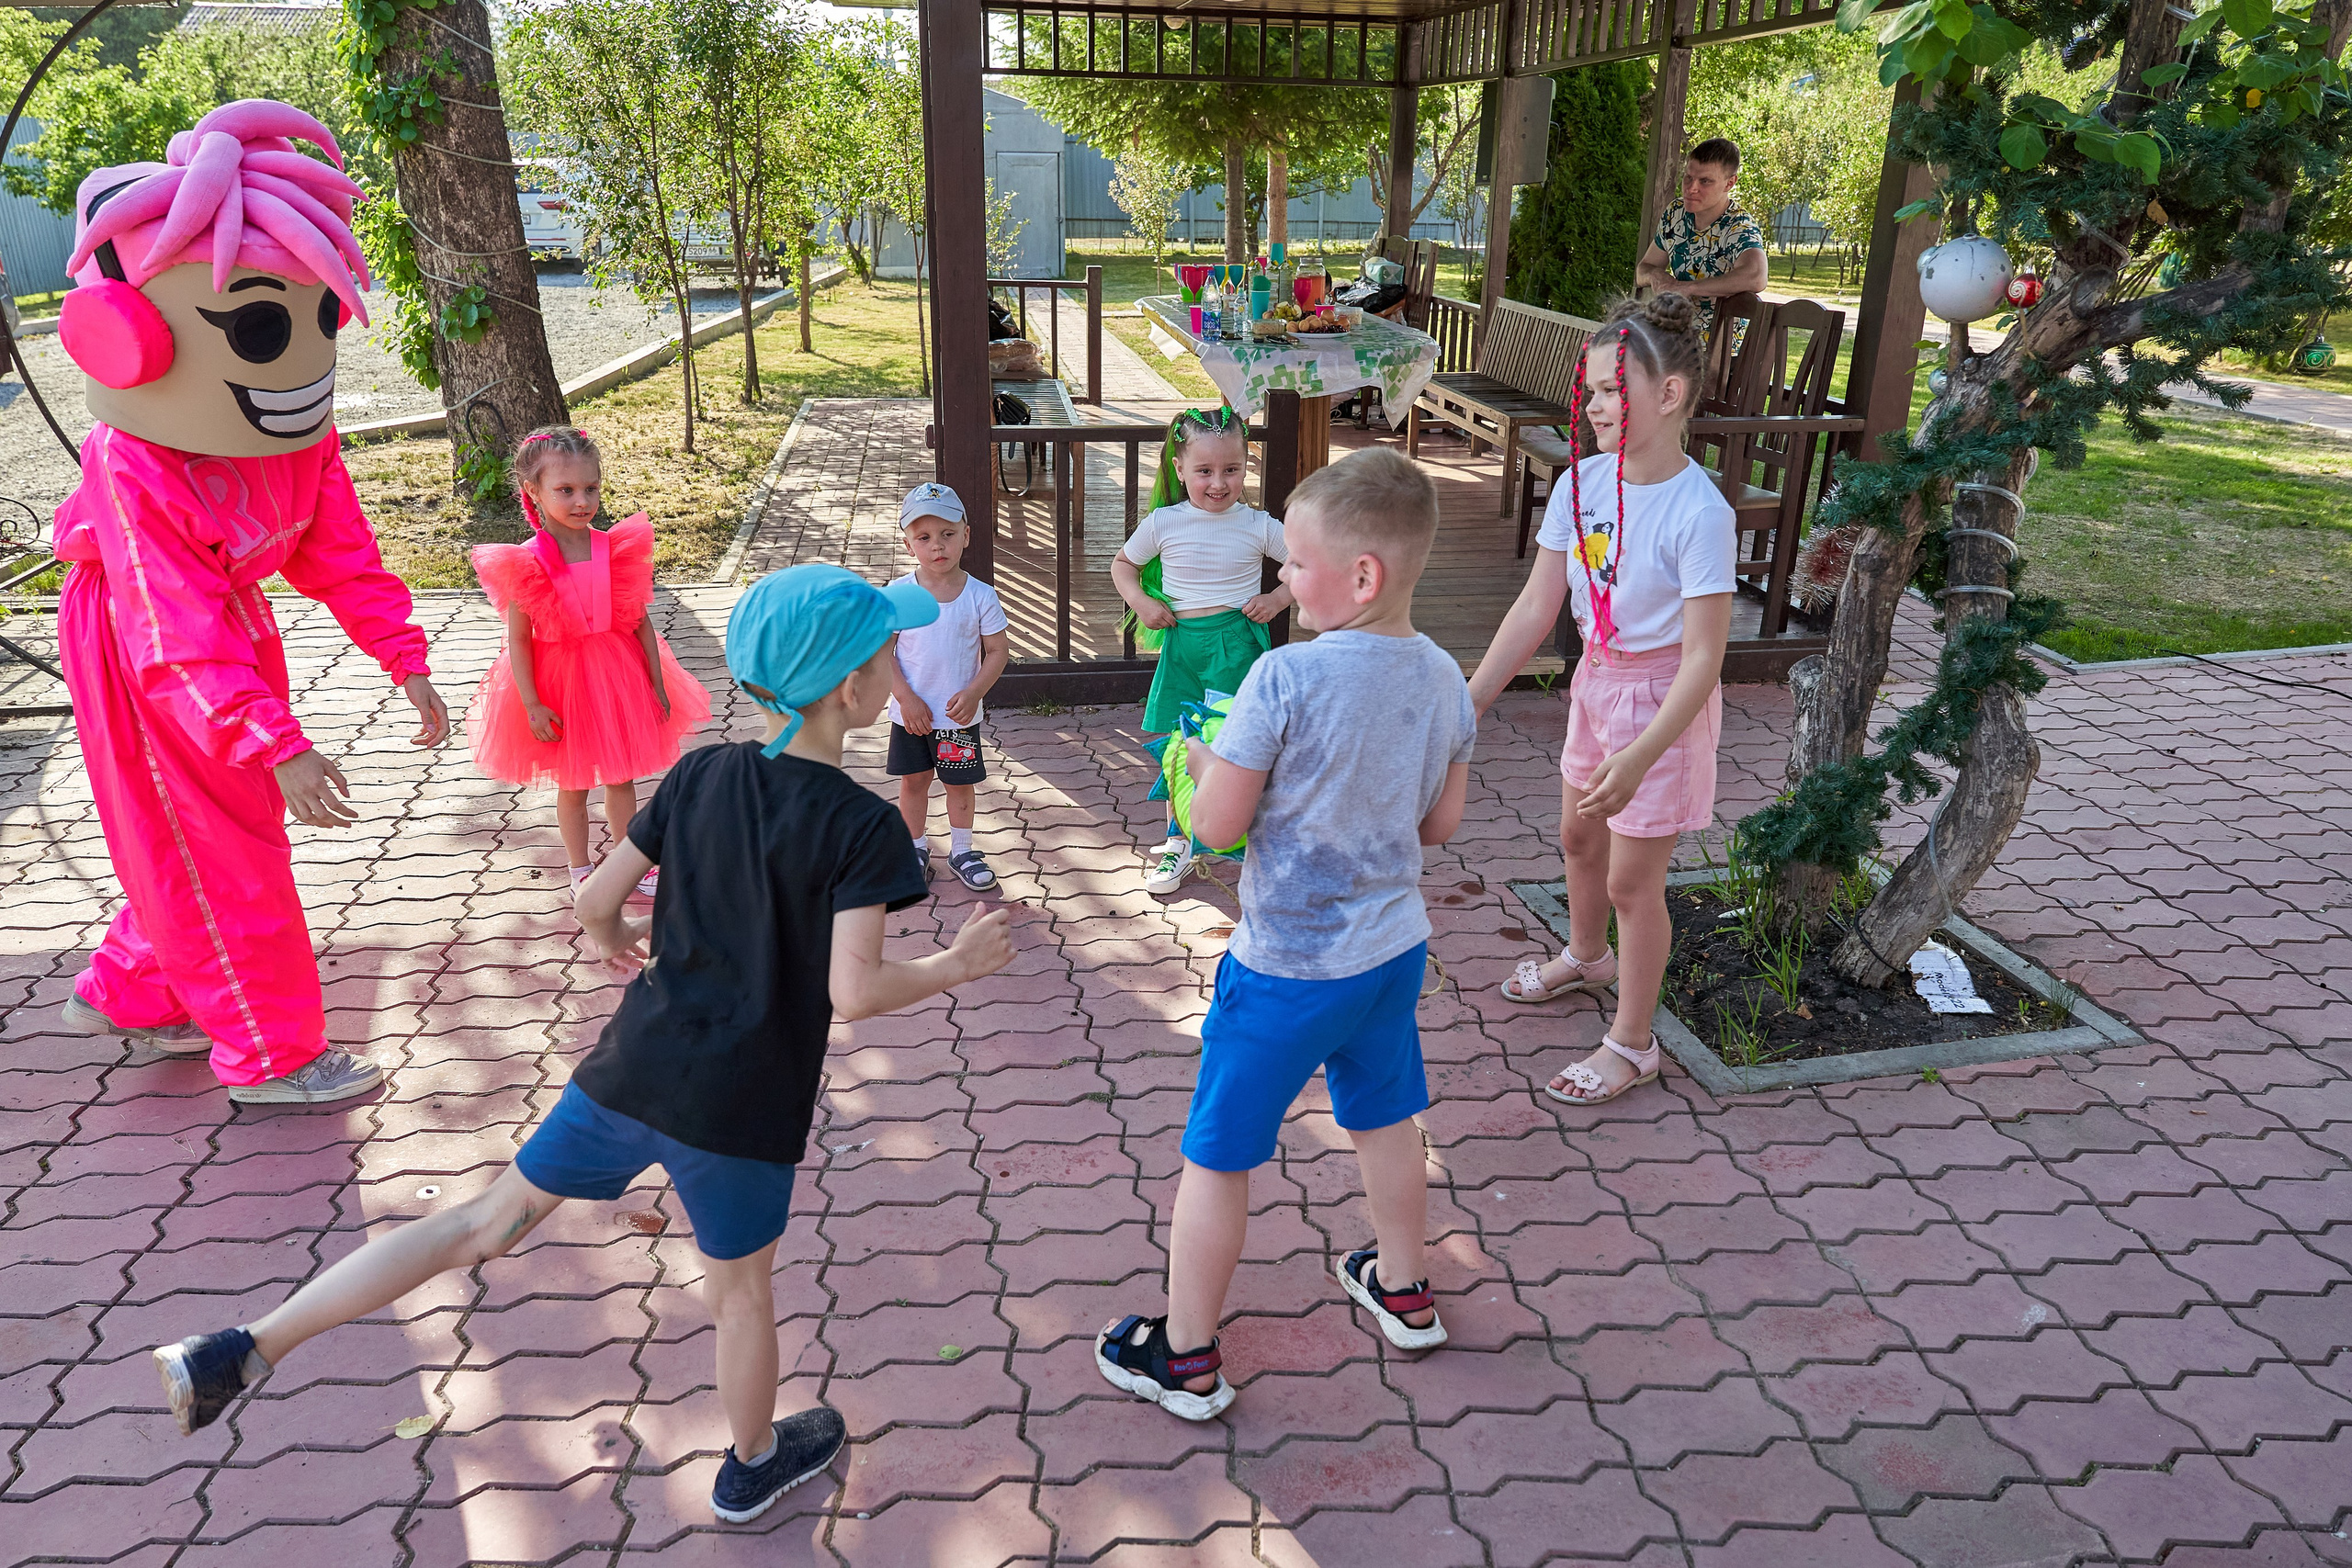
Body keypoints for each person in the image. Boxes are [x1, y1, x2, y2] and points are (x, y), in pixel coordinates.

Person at [151, 562, 1018, 1525]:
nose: (897, 660)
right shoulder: (864, 827)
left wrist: (626, 945)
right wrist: (955, 966)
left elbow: (595, 904)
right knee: (740, 1296)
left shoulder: (700, 771)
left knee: (479, 1224)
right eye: (886, 650)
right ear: (850, 687)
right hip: (740, 1105)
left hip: (633, 1068)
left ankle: (246, 1346)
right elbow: (853, 991)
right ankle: (750, 1465)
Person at [48, 99, 450, 1106]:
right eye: (265, 321)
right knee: (223, 840)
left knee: (182, 828)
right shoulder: (132, 458)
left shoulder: (291, 433)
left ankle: (133, 990)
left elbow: (338, 549)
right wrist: (279, 742)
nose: (300, 348)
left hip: (219, 631)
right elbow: (170, 638)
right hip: (140, 642)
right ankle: (271, 1056)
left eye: (315, 314)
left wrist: (405, 660)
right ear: (127, 335)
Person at [1095, 448, 1476, 1421]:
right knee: (1386, 1119)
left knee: (1217, 1155)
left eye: (1295, 564)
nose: (1283, 580)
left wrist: (1192, 762)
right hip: (1391, 955)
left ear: (1361, 576)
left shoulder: (1283, 680)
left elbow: (1217, 828)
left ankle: (1183, 1357)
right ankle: (1403, 1288)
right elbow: (1437, 827)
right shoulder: (1441, 677)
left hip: (1284, 970)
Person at [1466, 293, 1734, 1108]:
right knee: (1577, 838)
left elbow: (1705, 656)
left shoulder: (1700, 511)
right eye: (1591, 391)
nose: (1595, 405)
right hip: (1597, 684)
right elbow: (1535, 606)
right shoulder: (1579, 485)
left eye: (1613, 390)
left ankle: (1633, 1041)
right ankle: (1587, 957)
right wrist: (1470, 698)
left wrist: (1644, 749)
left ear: (1670, 396)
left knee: (1631, 883)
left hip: (1663, 706)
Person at [468, 425, 712, 899]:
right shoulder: (526, 561)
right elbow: (519, 640)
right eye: (566, 490)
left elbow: (640, 624)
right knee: (574, 781)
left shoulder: (614, 548)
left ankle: (630, 861)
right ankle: (580, 868)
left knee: (621, 776)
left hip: (617, 673)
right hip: (560, 683)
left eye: (591, 488)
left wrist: (656, 685)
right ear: (533, 492)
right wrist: (533, 703)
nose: (582, 501)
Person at [1111, 407, 1294, 896]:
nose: (1218, 483)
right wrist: (1142, 602)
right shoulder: (1164, 522)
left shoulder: (1257, 524)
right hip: (1182, 647)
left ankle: (1253, 839)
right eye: (1204, 471)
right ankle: (1179, 838)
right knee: (1179, 745)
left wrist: (1277, 598)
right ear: (1179, 469)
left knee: (1243, 744)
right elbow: (1123, 566)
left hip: (1237, 648)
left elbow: (1307, 561)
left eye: (1231, 469)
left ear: (1246, 465)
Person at [886, 482, 1009, 891]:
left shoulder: (981, 597)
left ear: (966, 536)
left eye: (947, 534)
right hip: (912, 717)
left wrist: (974, 693)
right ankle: (914, 848)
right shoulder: (899, 596)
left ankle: (961, 850)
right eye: (924, 538)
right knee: (914, 782)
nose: (937, 546)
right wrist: (905, 698)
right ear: (908, 546)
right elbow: (880, 654)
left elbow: (996, 652)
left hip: (958, 719)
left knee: (959, 784)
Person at [1634, 138, 1769, 342]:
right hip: (1673, 342)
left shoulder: (1739, 226)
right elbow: (1643, 269)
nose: (1691, 188)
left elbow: (1757, 276)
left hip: (1722, 353)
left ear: (1730, 183)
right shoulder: (1675, 213)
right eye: (1688, 177)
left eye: (1705, 181)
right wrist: (1655, 276)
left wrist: (1689, 288)